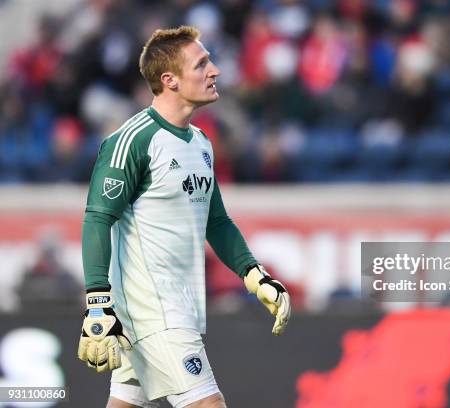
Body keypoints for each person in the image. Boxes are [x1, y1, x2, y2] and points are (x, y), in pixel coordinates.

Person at [77, 26, 291, 408]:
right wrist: (97, 303)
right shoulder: (132, 141)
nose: (215, 71)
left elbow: (217, 221)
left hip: (176, 308)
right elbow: (97, 218)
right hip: (153, 314)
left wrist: (254, 275)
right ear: (169, 80)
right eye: (202, 63)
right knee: (209, 404)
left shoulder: (201, 142)